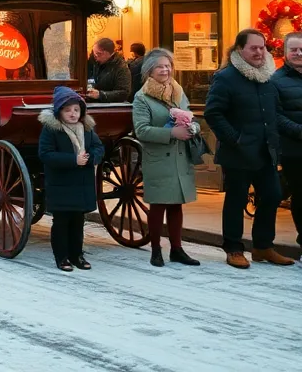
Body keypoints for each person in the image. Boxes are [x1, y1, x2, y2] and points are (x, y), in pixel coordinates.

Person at [204, 28, 295, 268]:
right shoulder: (226, 77)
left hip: (265, 151)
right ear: (239, 50)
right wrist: (236, 139)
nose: (259, 51)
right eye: (253, 47)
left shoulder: (268, 77)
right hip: (239, 152)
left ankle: (263, 246)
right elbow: (213, 113)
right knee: (236, 199)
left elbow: (275, 113)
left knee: (273, 195)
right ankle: (233, 248)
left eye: (262, 47)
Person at [132, 48, 200, 267]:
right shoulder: (142, 97)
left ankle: (177, 249)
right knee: (158, 205)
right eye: (160, 66)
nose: (165, 69)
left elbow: (191, 115)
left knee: (176, 205)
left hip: (180, 157)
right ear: (149, 71)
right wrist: (171, 133)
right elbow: (141, 130)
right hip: (159, 157)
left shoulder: (178, 92)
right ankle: (155, 250)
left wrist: (193, 128)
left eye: (168, 65)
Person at [38, 86, 105, 272]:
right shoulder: (51, 130)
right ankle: (61, 257)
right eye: (67, 110)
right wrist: (72, 160)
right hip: (61, 183)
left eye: (76, 110)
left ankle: (77, 255)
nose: (73, 114)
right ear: (59, 111)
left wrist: (92, 158)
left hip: (81, 182)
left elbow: (99, 148)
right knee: (61, 221)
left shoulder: (87, 129)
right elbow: (45, 154)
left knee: (78, 220)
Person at [273, 31, 302, 246]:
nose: (299, 53)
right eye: (294, 49)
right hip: (294, 149)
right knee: (300, 198)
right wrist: (299, 130)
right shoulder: (276, 80)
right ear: (285, 52)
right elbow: (275, 115)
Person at [84, 37, 131, 103]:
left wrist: (100, 95)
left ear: (107, 53)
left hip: (112, 108)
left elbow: (124, 93)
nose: (96, 57)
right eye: (94, 54)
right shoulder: (99, 62)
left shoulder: (121, 67)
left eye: (98, 54)